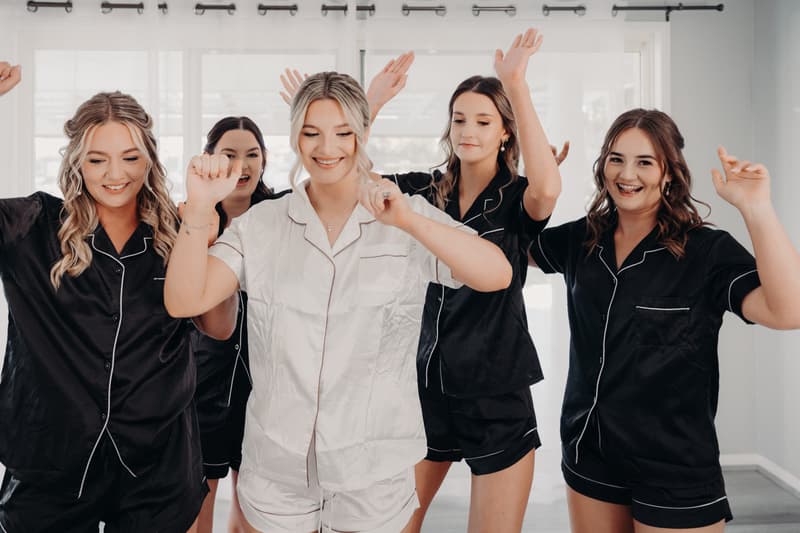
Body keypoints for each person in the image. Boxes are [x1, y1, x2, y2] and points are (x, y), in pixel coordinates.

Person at [164, 71, 513, 533]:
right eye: (311, 133)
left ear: (364, 133)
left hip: (375, 471)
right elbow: (185, 299)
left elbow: (497, 274)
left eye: (343, 133)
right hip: (277, 470)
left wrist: (410, 222)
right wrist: (199, 208)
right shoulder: (263, 225)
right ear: (294, 137)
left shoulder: (404, 214)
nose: (327, 148)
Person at [528, 108, 800, 532]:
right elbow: (504, 250)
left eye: (645, 162)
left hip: (675, 463)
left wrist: (757, 208)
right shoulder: (582, 237)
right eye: (616, 158)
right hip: (589, 449)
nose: (626, 173)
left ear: (669, 172)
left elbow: (789, 312)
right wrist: (533, 186)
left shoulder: (708, 251)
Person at [335, 29, 563, 533]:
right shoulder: (422, 191)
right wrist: (368, 104)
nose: (468, 130)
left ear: (506, 132)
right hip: (423, 389)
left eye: (483, 121)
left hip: (496, 391)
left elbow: (549, 188)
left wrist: (516, 84)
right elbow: (350, 179)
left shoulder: (518, 197)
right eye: (459, 119)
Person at [0, 63, 207, 532]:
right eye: (97, 160)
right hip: (49, 464)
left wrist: (203, 218)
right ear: (75, 161)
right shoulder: (29, 226)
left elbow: (219, 326)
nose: (116, 174)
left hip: (156, 467)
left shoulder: (179, 232)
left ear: (150, 158)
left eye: (131, 157)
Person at [190, 116, 289, 533]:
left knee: (254, 517)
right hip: (201, 385)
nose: (243, 164)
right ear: (212, 160)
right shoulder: (191, 219)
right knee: (196, 509)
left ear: (265, 160)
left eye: (252, 154)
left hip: (269, 389)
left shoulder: (284, 214)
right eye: (230, 154)